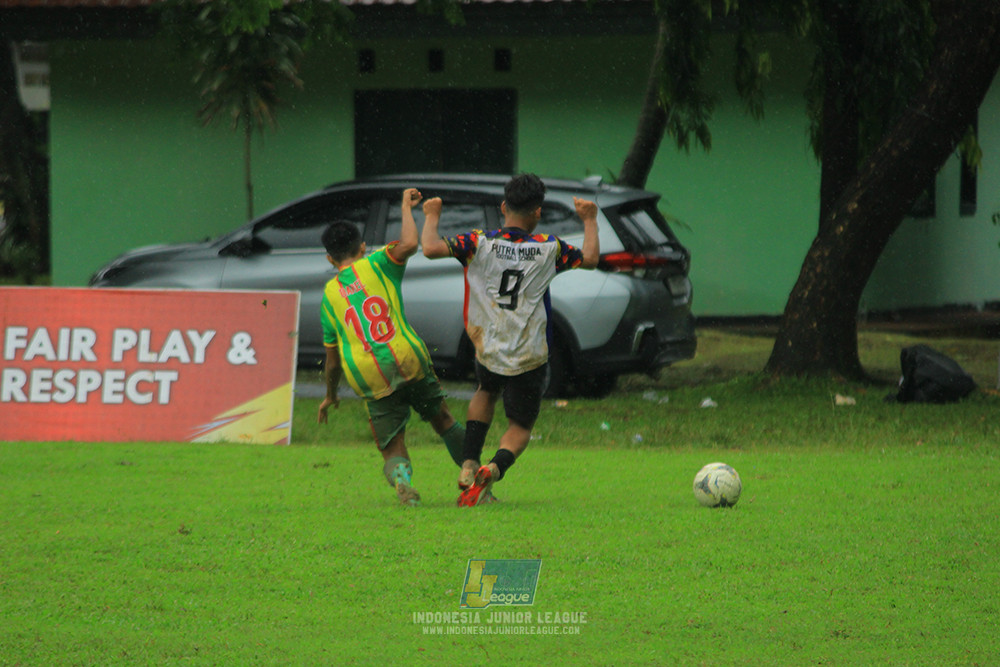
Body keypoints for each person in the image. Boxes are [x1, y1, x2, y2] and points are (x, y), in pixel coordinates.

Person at [420, 173, 599, 506]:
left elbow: (429, 248)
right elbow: (590, 259)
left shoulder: (479, 242)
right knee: (520, 425)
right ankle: (494, 468)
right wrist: (589, 219)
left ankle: (470, 461)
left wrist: (432, 215)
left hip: (488, 345)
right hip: (530, 353)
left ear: (504, 207)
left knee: (485, 392)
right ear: (538, 213)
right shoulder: (549, 247)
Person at [317, 188, 466, 507]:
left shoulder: (329, 295)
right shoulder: (378, 262)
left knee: (391, 443)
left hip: (369, 374)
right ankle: (473, 475)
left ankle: (403, 484)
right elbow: (411, 244)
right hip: (406, 356)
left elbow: (332, 361)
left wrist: (330, 394)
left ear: (330, 259)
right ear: (362, 247)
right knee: (442, 419)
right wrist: (405, 206)